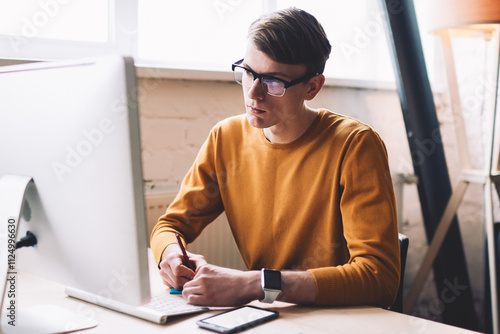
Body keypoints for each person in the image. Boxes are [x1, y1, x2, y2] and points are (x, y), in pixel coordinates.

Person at [150, 7, 400, 308]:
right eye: (248, 72)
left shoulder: (355, 145)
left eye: (273, 82)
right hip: (267, 315)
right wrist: (170, 254)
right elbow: (170, 227)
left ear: (312, 87)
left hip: (336, 318)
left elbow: (379, 278)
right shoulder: (225, 138)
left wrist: (257, 283)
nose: (253, 93)